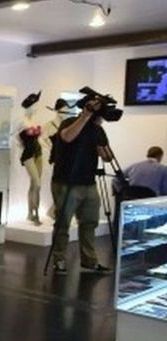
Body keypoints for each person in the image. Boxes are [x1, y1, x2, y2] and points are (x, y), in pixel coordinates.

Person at [50, 94, 113, 275]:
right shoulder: (69, 122)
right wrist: (85, 116)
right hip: (66, 181)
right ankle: (59, 260)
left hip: (89, 183)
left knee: (90, 223)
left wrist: (101, 146)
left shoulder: (97, 129)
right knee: (63, 223)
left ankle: (89, 261)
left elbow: (108, 157)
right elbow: (67, 137)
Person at [18, 91, 44, 225]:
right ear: (30, 106)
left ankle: (31, 213)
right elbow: (15, 137)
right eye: (35, 105)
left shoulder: (32, 121)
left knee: (35, 184)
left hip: (38, 153)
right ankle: (35, 215)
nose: (37, 108)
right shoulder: (22, 122)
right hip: (28, 154)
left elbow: (39, 138)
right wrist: (21, 145)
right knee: (37, 183)